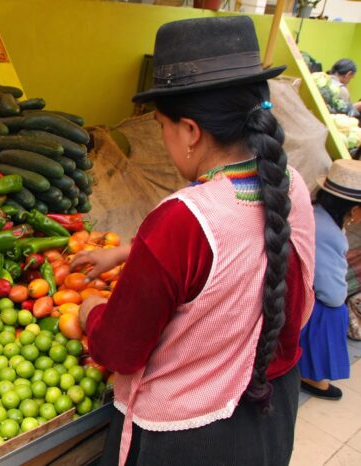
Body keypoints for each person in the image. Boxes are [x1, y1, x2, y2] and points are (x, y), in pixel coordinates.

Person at [71, 16, 316, 466]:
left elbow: (120, 351)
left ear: (190, 131)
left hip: (190, 437)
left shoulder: (181, 222)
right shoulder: (291, 185)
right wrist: (128, 251)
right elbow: (244, 246)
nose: (162, 136)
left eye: (161, 124)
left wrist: (91, 314)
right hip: (273, 409)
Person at [299, 159, 361, 399]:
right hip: (296, 296)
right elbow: (333, 294)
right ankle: (312, 374)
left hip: (288, 286)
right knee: (335, 312)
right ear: (354, 210)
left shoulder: (315, 213)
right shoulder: (328, 233)